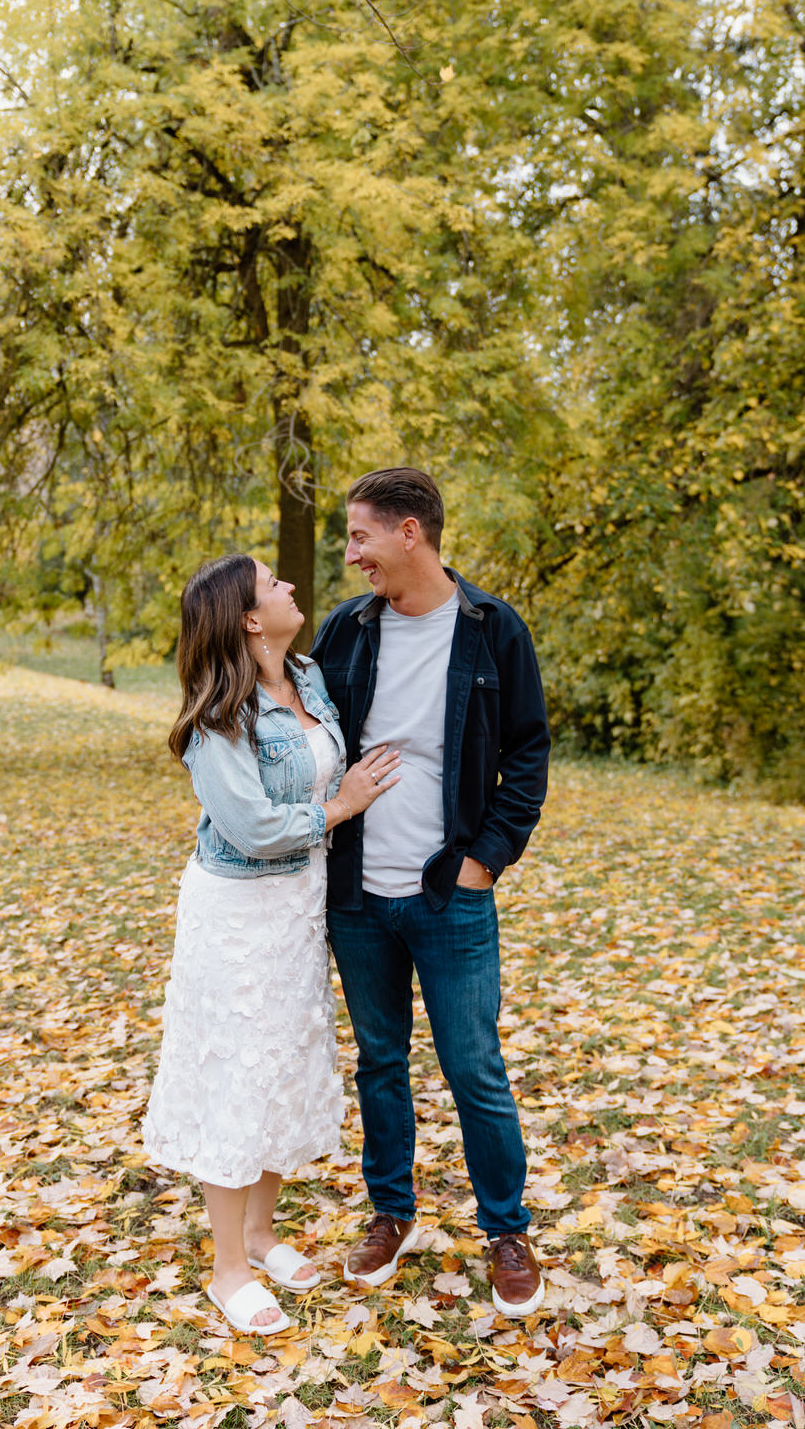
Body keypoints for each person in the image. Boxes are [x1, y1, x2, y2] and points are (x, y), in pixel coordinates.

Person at [310, 468, 551, 1317]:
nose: (352, 555)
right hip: (357, 898)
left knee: (474, 1065)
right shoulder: (346, 632)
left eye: (361, 536)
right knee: (381, 1060)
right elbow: (301, 732)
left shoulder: (492, 630)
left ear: (410, 532)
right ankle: (391, 1214)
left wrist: (487, 859)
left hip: (451, 895)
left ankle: (506, 1229)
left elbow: (527, 754)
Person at [142, 553, 400, 1336]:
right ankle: (227, 1271)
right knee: (238, 1072)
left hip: (297, 906)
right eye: (273, 585)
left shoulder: (309, 677)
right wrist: (342, 806)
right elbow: (254, 828)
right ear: (250, 619)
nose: (291, 587)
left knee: (283, 1062)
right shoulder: (216, 717)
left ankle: (258, 1236)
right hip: (237, 914)